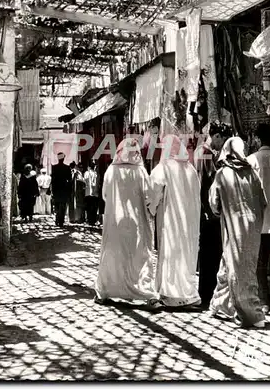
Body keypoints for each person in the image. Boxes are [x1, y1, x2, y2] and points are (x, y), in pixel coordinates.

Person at [95, 138, 162, 310]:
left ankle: (106, 291)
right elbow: (149, 196)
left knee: (113, 256)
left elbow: (104, 195)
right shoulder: (140, 171)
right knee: (139, 256)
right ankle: (144, 292)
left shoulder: (111, 170)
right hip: (137, 223)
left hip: (115, 222)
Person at [208, 137, 267, 328]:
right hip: (253, 226)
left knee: (239, 268)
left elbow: (214, 204)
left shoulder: (222, 174)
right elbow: (263, 201)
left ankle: (253, 315)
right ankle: (220, 304)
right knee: (236, 263)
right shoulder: (253, 174)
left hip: (234, 227)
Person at [148, 135, 201, 307]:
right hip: (189, 222)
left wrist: (151, 209)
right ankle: (188, 293)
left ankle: (171, 294)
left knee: (171, 253)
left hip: (170, 220)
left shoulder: (163, 168)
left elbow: (152, 191)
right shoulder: (191, 169)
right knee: (186, 256)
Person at [195, 121, 233, 308]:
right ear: (216, 136)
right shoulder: (207, 154)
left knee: (208, 254)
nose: (223, 144)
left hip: (205, 212)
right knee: (211, 254)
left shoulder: (201, 152)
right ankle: (207, 295)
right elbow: (209, 185)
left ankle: (205, 293)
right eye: (222, 139)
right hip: (210, 214)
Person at [247, 123, 270, 316]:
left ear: (257, 139)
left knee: (260, 262)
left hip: (258, 220)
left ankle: (264, 300)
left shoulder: (251, 160)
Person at [51, 153, 72, 228]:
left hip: (56, 189)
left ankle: (57, 218)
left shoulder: (54, 167)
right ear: (64, 158)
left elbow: (52, 180)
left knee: (56, 206)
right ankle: (61, 221)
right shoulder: (67, 168)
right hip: (64, 189)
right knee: (62, 206)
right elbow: (70, 180)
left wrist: (51, 189)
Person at [84, 160, 99, 225]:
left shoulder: (86, 173)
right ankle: (93, 220)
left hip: (88, 192)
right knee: (94, 207)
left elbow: (85, 181)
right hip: (95, 193)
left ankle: (89, 220)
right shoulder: (96, 174)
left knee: (88, 207)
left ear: (89, 167)